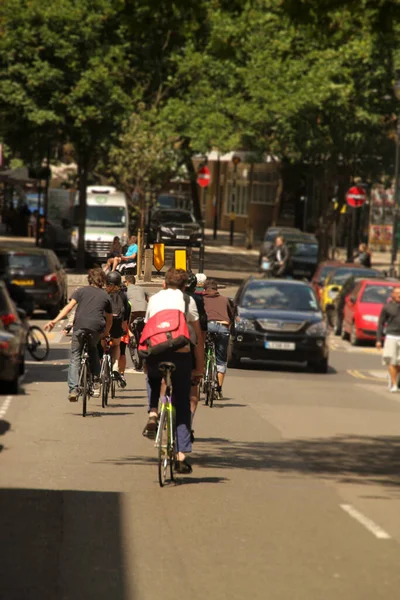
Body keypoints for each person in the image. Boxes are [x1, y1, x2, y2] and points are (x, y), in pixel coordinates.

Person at [142, 268, 204, 474]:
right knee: (183, 404)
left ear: (164, 283)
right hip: (181, 354)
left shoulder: (154, 299)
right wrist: (199, 368)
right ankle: (180, 455)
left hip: (156, 352)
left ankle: (152, 413)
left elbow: (148, 329)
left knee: (152, 377)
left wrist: (145, 359)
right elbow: (198, 337)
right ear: (185, 286)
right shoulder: (188, 301)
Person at [45, 268, 113, 402]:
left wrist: (54, 321)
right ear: (103, 280)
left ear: (89, 279)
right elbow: (109, 320)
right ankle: (96, 378)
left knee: (75, 356)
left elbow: (68, 308)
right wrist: (105, 333)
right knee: (93, 348)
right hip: (96, 327)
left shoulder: (80, 291)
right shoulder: (106, 295)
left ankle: (73, 389)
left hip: (80, 326)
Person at [203, 279, 233, 399]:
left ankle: (204, 375)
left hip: (207, 327)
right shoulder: (225, 300)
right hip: (222, 327)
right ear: (217, 290)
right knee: (221, 359)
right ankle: (218, 388)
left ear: (205, 289)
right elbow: (231, 315)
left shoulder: (202, 299)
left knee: (201, 352)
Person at [185, 272, 207, 440]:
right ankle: (188, 423)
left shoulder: (164, 298)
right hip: (189, 346)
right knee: (193, 390)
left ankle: (157, 413)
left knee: (164, 381)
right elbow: (202, 328)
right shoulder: (197, 300)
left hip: (162, 346)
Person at [104, 271, 130, 387]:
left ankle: (99, 370)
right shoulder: (123, 296)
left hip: (104, 325)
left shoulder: (103, 294)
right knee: (116, 345)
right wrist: (124, 329)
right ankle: (115, 367)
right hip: (117, 325)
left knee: (100, 346)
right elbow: (126, 315)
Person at [377, 287, 400, 392]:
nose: (399, 295)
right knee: (391, 361)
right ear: (393, 295)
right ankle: (394, 384)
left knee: (398, 364)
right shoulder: (387, 307)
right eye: (397, 293)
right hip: (391, 336)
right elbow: (380, 324)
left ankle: (392, 376)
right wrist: (378, 340)